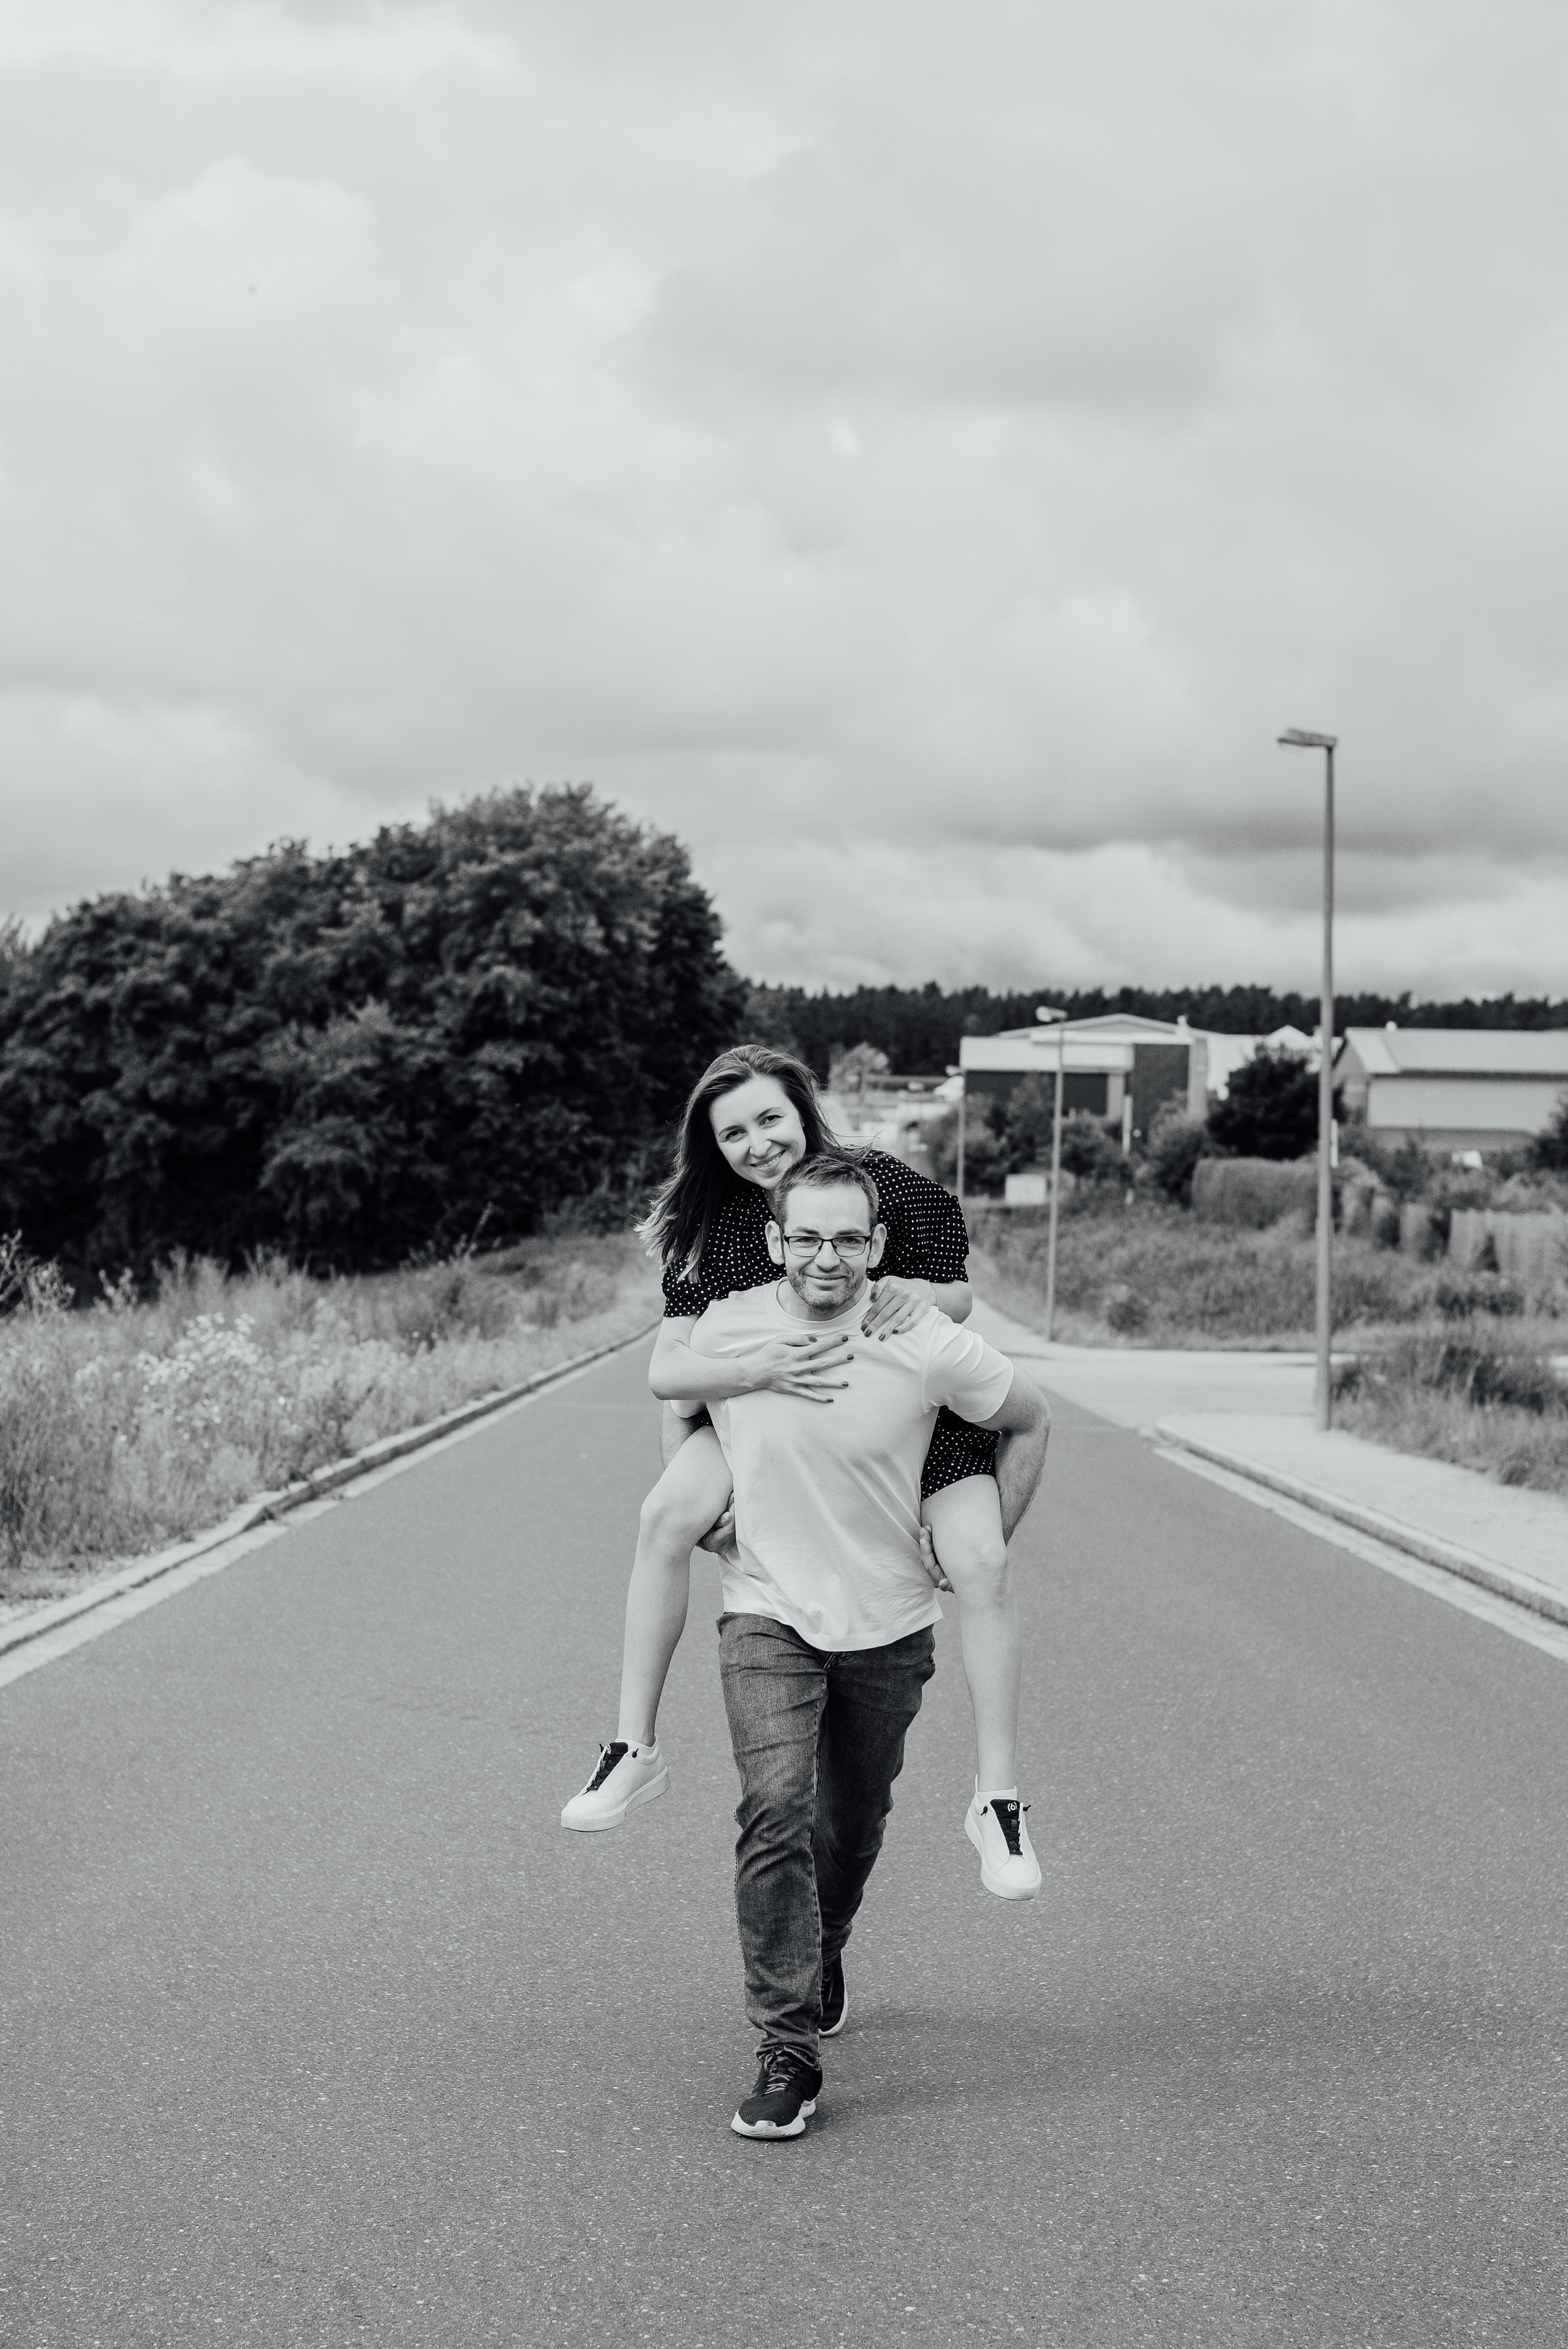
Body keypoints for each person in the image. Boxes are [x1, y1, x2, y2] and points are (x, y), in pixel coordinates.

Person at [561, 1045, 1036, 1897]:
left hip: (908, 1408)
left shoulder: (888, 1185)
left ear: (805, 1109)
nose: (757, 1142)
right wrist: (753, 1392)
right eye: (733, 1131)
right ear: (713, 1145)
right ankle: (633, 1745)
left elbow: (959, 1296)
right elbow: (670, 1374)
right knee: (666, 1517)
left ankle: (997, 1798)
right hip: (760, 1412)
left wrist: (915, 1297)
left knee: (984, 1564)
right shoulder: (712, 1223)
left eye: (770, 1118)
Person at [696, 1150, 1050, 2137]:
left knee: (848, 1829)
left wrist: (978, 1544)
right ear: (773, 1242)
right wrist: (699, 1515)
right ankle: (787, 2046)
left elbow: (1032, 1419)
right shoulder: (729, 1326)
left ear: (878, 1245)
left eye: (848, 1237)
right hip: (765, 1608)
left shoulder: (921, 1339)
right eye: (805, 1235)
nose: (826, 1256)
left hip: (890, 1623)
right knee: (775, 1806)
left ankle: (824, 1945)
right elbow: (678, 1418)